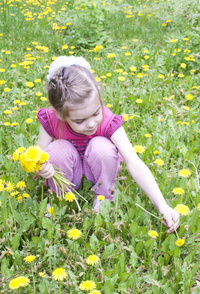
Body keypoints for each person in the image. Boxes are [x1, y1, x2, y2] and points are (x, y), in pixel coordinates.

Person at [36, 56, 180, 233]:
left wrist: (162, 205)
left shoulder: (108, 122)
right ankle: (60, 198)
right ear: (59, 114)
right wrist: (42, 168)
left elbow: (134, 163)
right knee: (57, 150)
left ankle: (103, 196)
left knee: (101, 146)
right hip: (67, 169)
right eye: (80, 120)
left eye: (96, 113)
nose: (90, 124)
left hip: (96, 168)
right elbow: (36, 157)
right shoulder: (51, 120)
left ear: (99, 95)